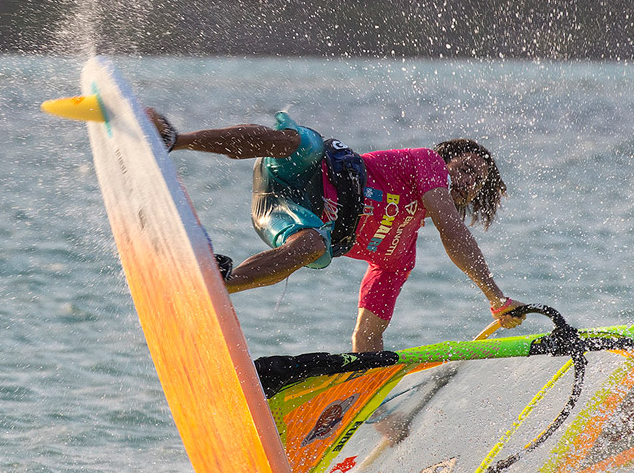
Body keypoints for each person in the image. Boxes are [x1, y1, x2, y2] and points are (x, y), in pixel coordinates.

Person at [149, 109, 525, 352]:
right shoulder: (426, 162)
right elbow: (451, 230)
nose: (468, 179)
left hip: (283, 212)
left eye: (478, 180)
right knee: (303, 141)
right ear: (444, 163)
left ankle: (218, 282)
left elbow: (367, 338)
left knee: (314, 245)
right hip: (297, 169)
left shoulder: (399, 258)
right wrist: (495, 296)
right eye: (465, 167)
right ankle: (175, 140)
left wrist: (386, 418)